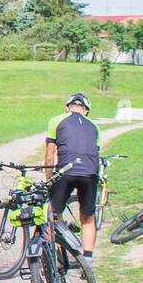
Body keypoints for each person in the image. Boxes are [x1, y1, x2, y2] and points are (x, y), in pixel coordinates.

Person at [46, 92, 101, 257]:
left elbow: (49, 157)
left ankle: (54, 255)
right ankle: (88, 261)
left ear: (67, 108)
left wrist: (49, 180)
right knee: (88, 218)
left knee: (51, 212)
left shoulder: (56, 120)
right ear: (86, 111)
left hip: (66, 171)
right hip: (90, 173)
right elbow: (95, 155)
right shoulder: (95, 126)